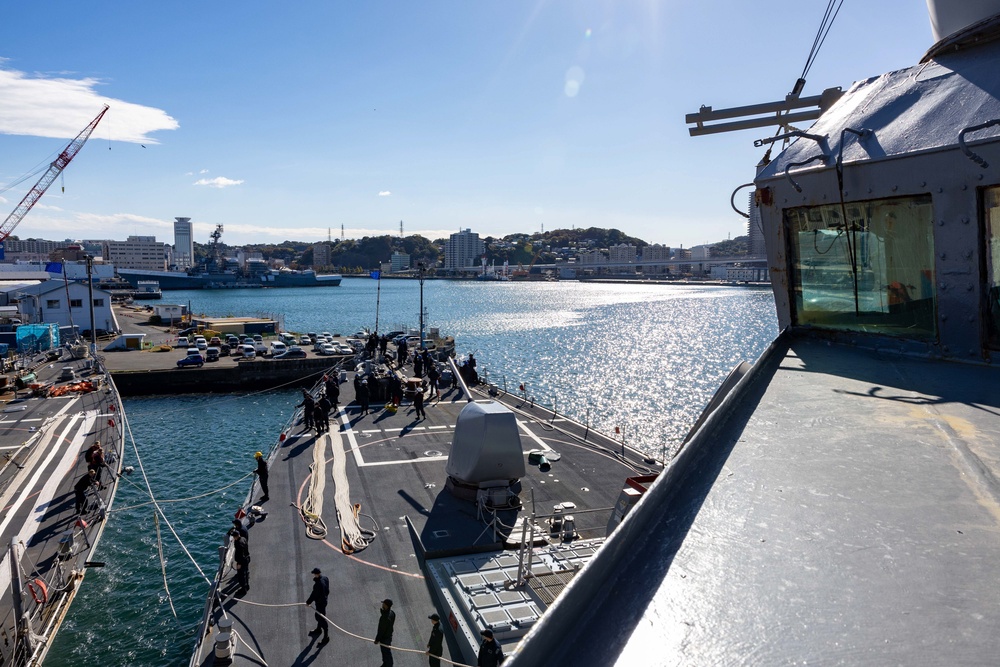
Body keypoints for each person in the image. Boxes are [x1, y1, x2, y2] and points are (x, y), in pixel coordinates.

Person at [306, 567, 330, 645]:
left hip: (320, 603)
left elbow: (314, 594)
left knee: (320, 618)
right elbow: (327, 590)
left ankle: (326, 637)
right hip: (324, 601)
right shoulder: (325, 578)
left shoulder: (317, 585)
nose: (314, 575)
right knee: (319, 616)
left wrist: (308, 602)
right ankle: (319, 629)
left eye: (314, 574)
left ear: (317, 574)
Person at [374, 598, 395, 666]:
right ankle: (386, 663)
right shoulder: (392, 613)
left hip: (384, 638)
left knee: (385, 652)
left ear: (386, 605)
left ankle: (388, 664)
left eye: (384, 604)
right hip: (389, 636)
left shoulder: (384, 618)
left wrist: (377, 640)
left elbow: (381, 630)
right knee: (386, 651)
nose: (382, 604)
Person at [232, 530, 250, 594]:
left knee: (241, 576)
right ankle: (247, 586)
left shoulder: (238, 543)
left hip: (242, 561)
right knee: (246, 573)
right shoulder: (243, 538)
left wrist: (239, 563)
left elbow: (240, 554)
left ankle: (243, 590)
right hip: (247, 558)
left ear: (235, 536)